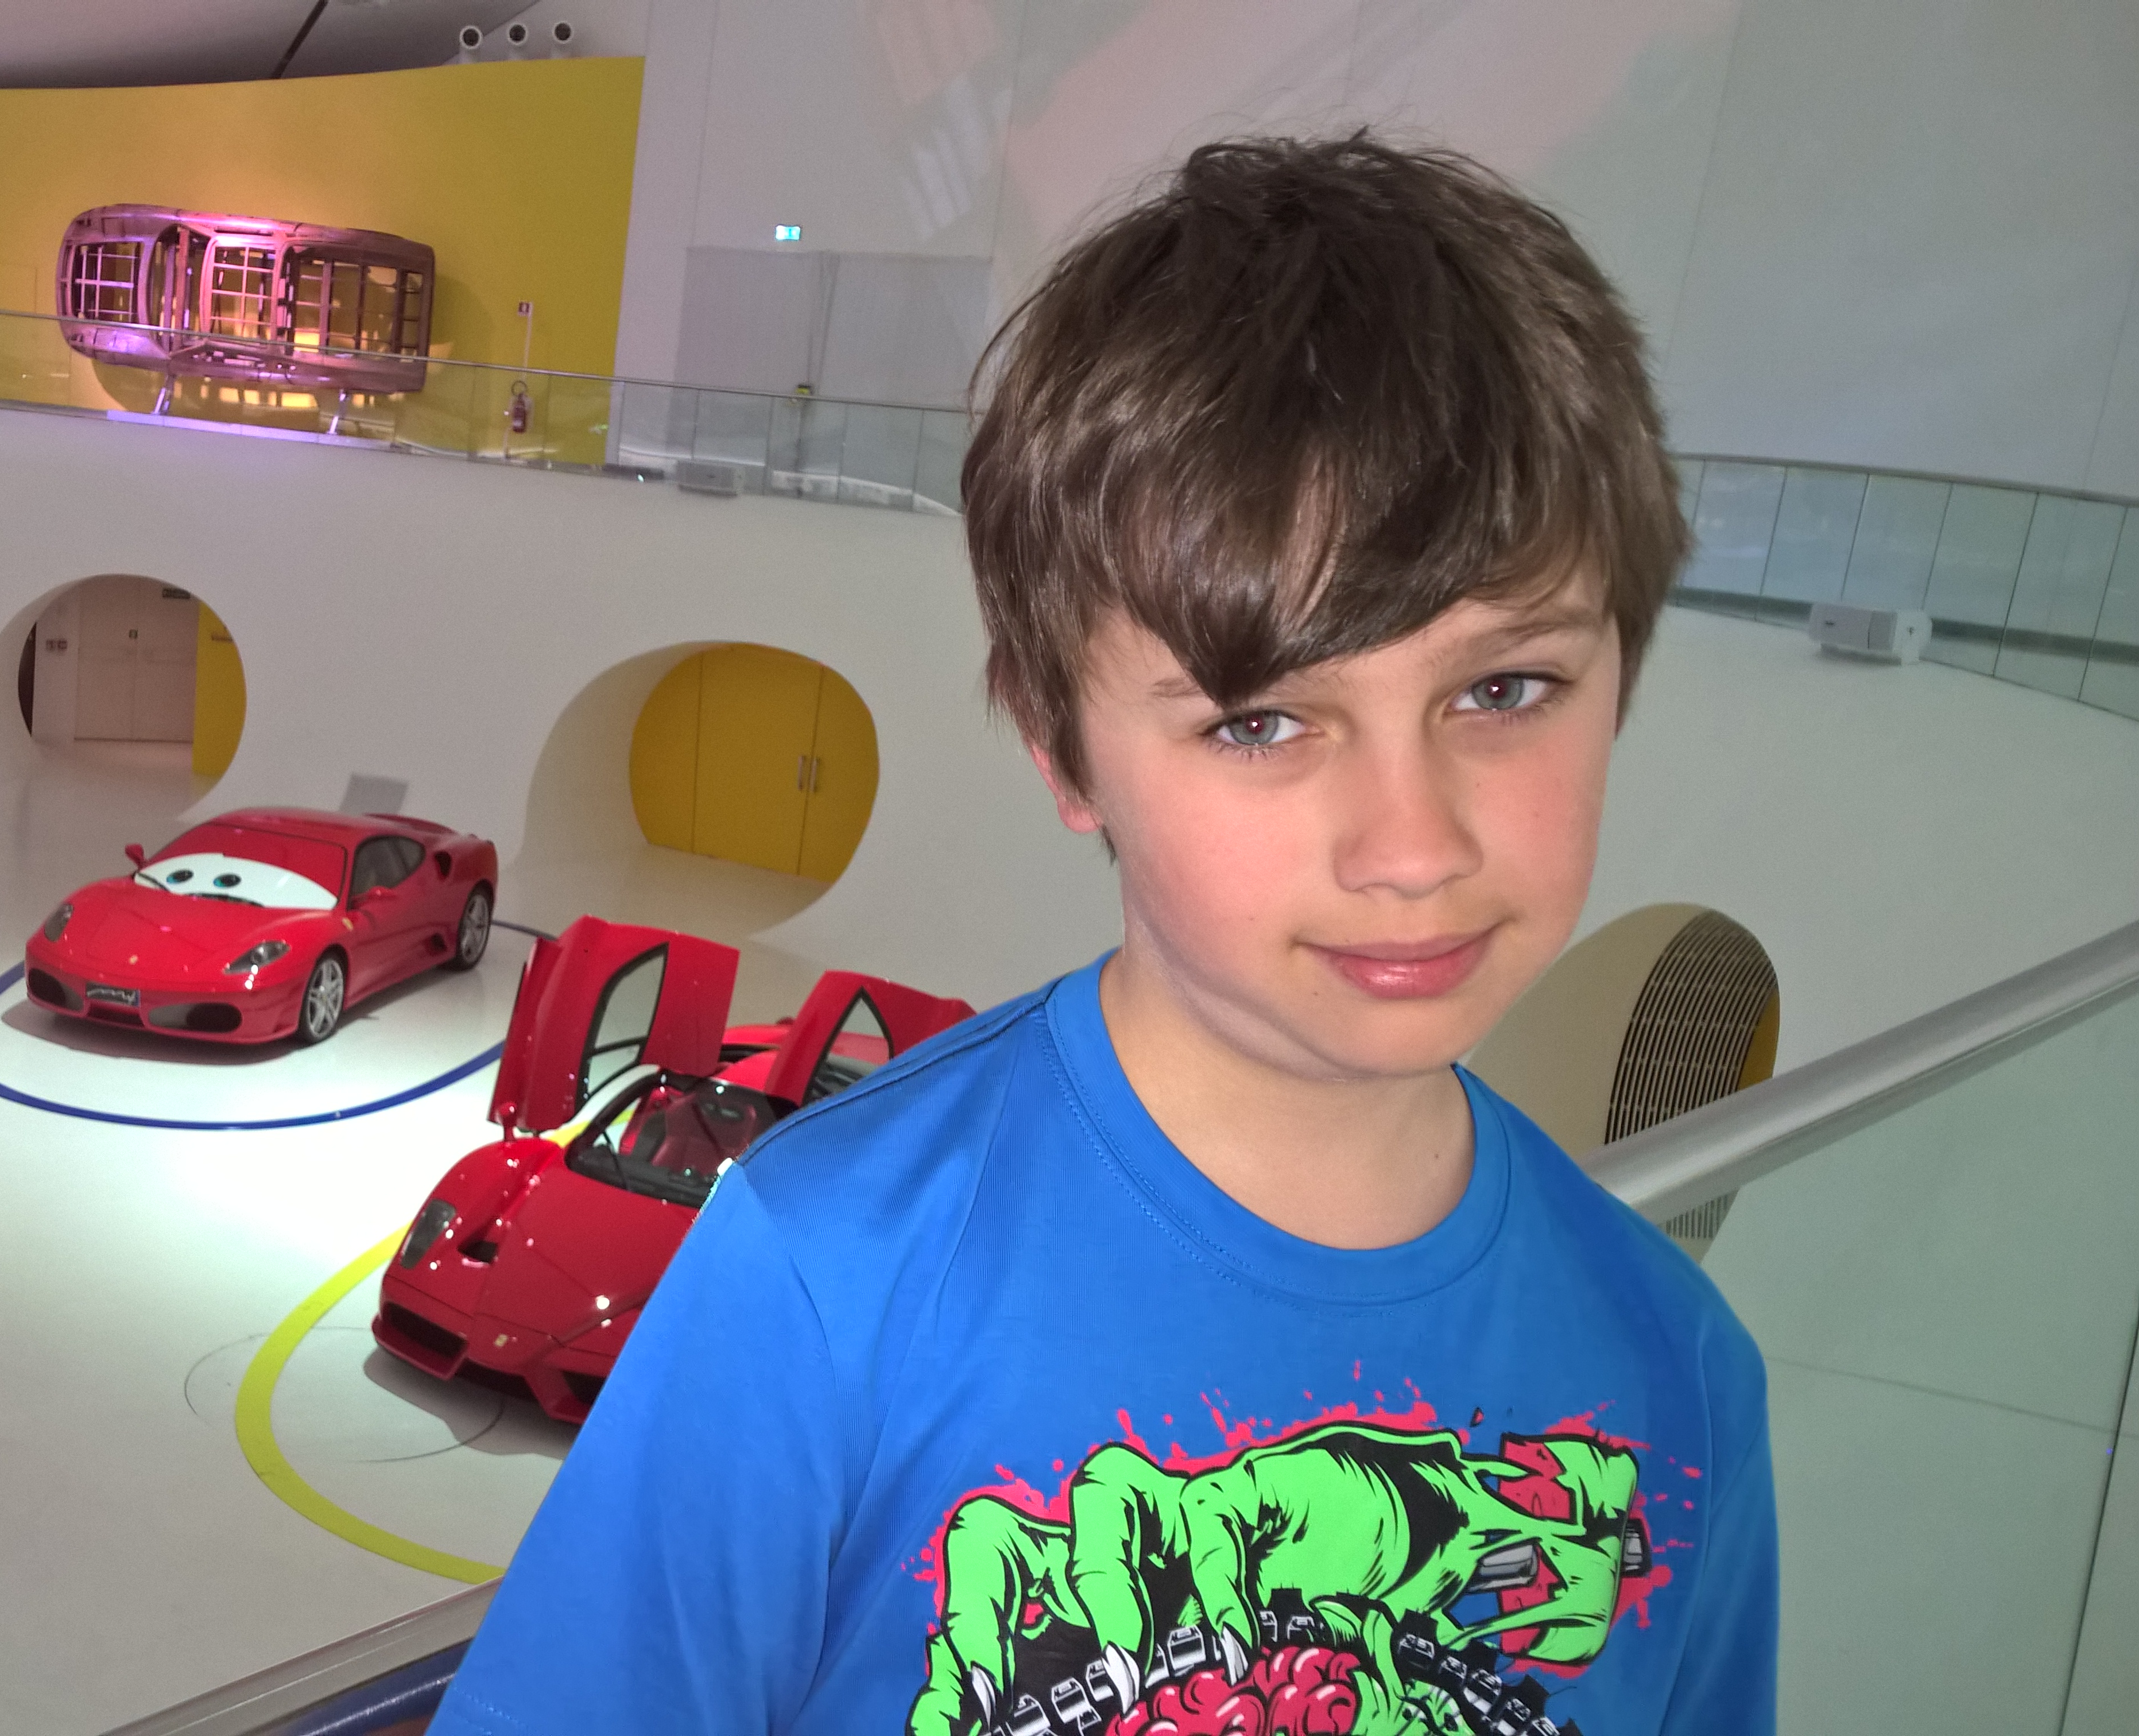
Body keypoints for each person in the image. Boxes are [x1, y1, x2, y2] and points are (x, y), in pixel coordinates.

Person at [428, 133, 1776, 1735]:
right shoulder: (836, 1268)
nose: (1414, 848)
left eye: (1504, 689)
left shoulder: (1679, 1373)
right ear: (1063, 750)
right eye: (1261, 722)